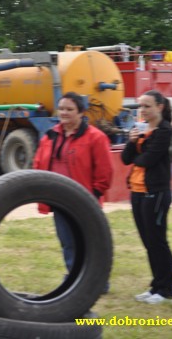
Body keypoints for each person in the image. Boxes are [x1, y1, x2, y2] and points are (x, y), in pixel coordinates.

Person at [33, 92, 113, 275]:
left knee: (88, 242)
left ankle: (97, 281)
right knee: (67, 242)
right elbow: (38, 164)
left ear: (81, 113)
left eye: (70, 109)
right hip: (59, 199)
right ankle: (74, 279)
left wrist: (94, 194)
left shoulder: (96, 137)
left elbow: (105, 171)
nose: (64, 113)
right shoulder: (50, 136)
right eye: (61, 109)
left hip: (85, 199)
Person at [121, 90, 172, 304]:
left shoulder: (164, 131)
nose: (142, 110)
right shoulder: (140, 130)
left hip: (155, 192)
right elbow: (127, 159)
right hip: (137, 192)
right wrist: (132, 142)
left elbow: (148, 160)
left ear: (160, 107)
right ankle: (156, 286)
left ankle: (168, 291)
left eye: (147, 106)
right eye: (140, 106)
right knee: (148, 242)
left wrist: (137, 148)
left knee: (158, 241)